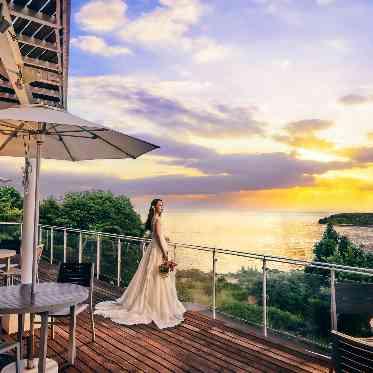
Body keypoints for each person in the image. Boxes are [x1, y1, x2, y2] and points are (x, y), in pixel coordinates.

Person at [95, 198, 185, 329]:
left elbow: (157, 236)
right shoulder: (158, 219)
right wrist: (165, 253)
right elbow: (159, 237)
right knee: (158, 276)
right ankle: (156, 305)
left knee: (154, 275)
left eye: (163, 205)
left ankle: (153, 303)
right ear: (154, 207)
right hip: (158, 249)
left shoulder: (154, 218)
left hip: (153, 248)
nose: (162, 207)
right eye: (160, 205)